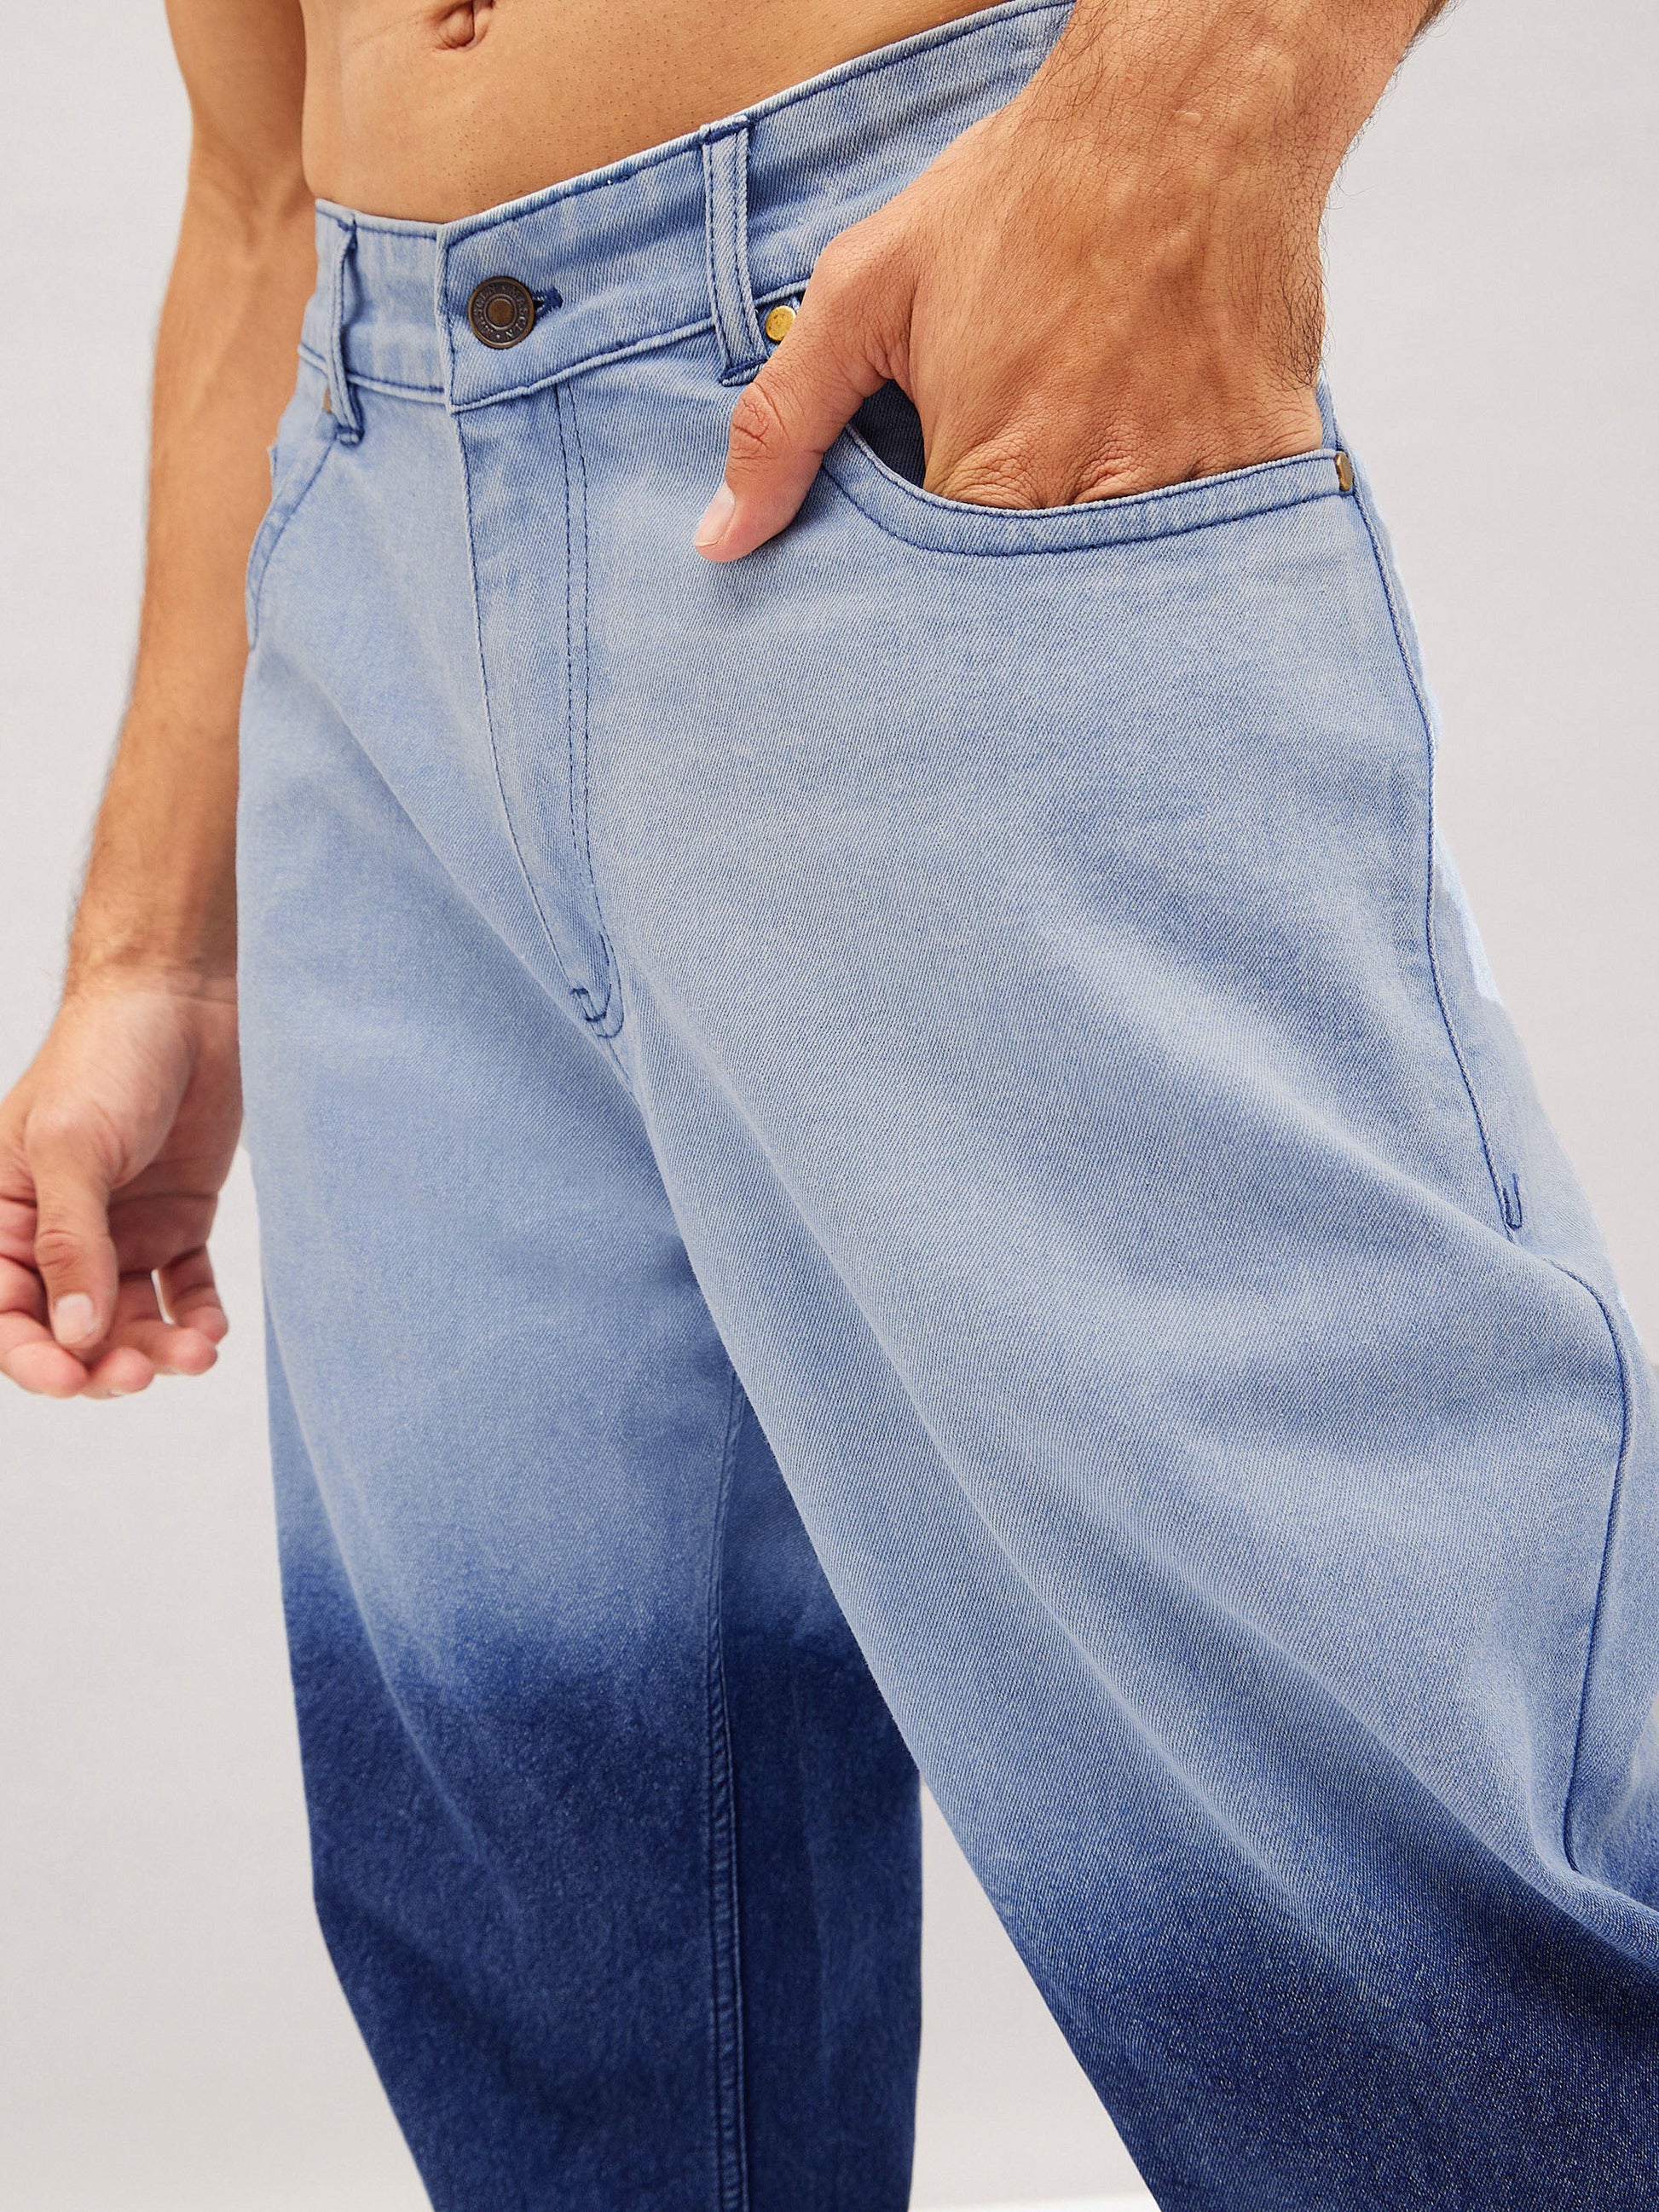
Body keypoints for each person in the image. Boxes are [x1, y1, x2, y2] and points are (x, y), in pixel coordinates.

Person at [3, 0, 1656, 2203]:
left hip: (889, 387)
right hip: (364, 544)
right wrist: (158, 946)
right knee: (568, 1965)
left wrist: (1195, 109)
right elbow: (245, 182)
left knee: (1408, 1924)